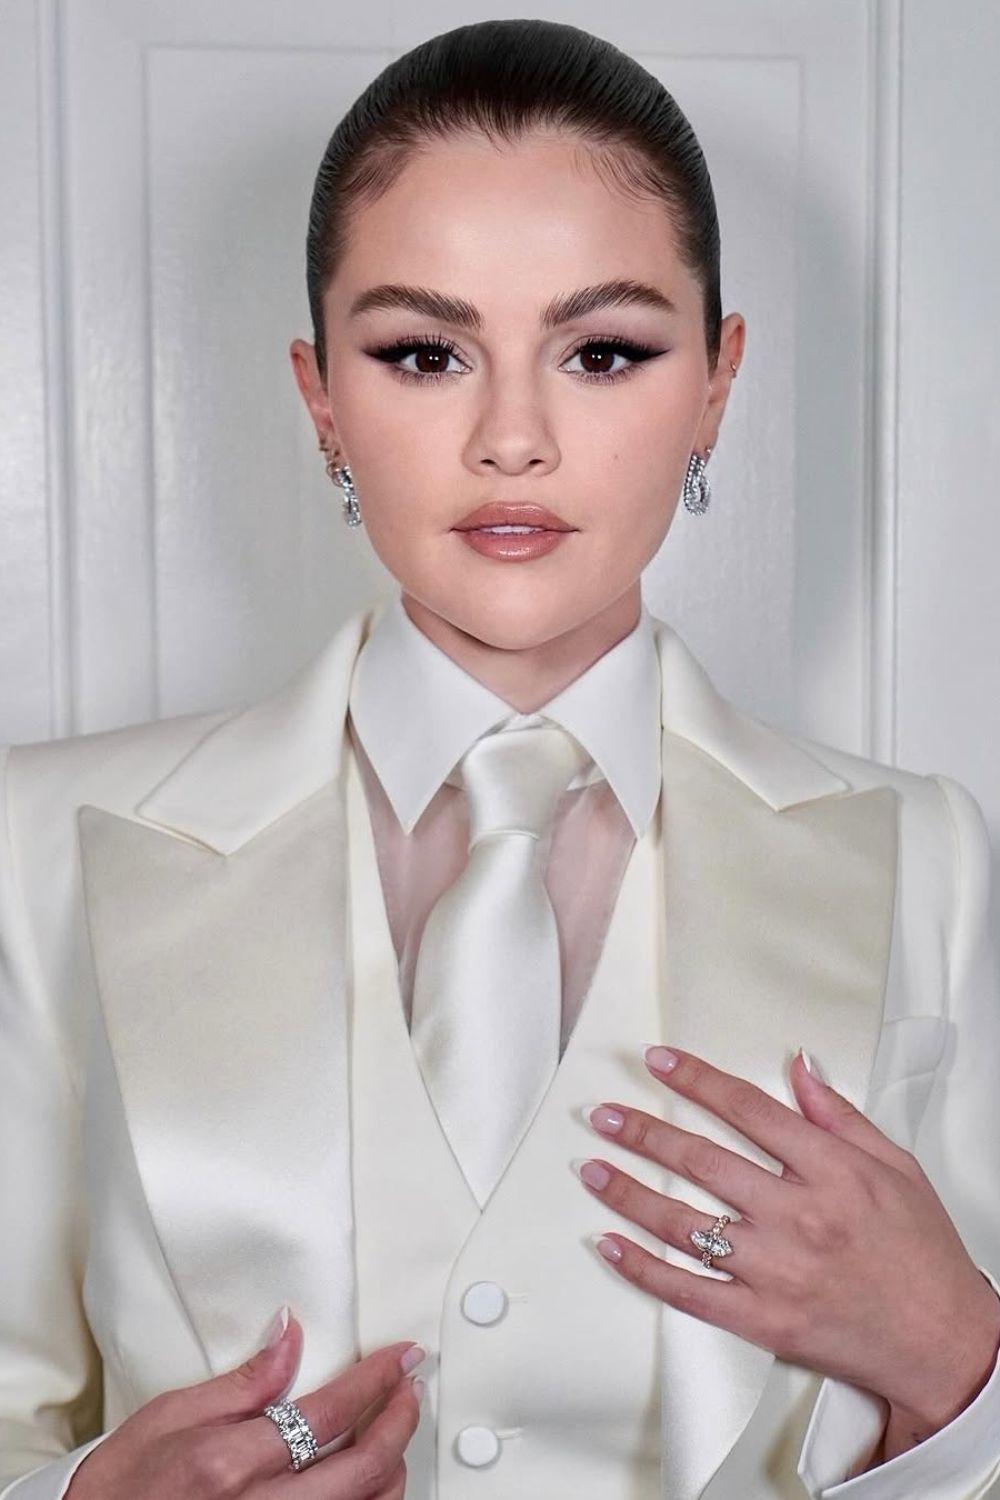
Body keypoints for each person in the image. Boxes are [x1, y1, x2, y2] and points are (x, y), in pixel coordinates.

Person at [1, 17, 999, 1500]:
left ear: (717, 382)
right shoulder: (41, 845)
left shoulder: (926, 856)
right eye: (423, 353)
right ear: (320, 393)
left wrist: (962, 1357)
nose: (512, 438)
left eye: (603, 352)